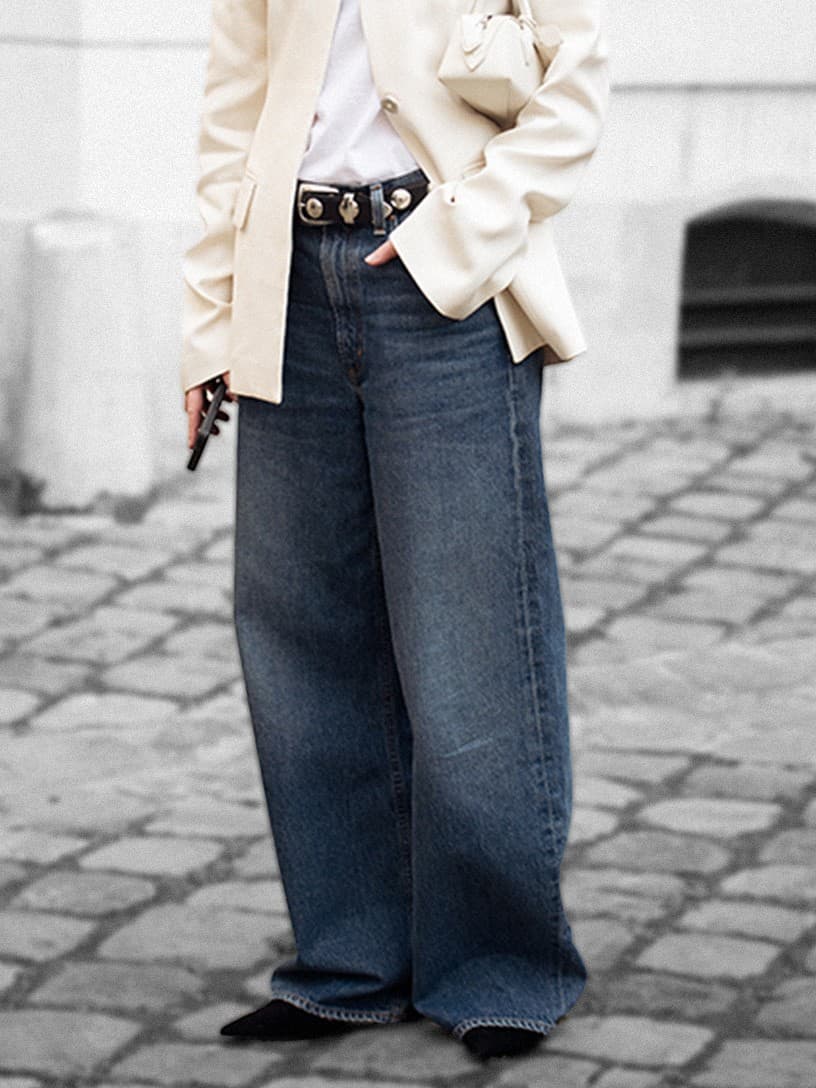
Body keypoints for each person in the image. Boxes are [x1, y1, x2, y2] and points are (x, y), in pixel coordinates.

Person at [182, 0, 609, 1063]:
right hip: (288, 278)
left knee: (471, 641)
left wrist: (462, 230)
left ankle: (500, 965)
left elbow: (575, 82)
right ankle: (348, 963)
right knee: (302, 635)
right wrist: (212, 317)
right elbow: (234, 105)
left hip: (442, 283)